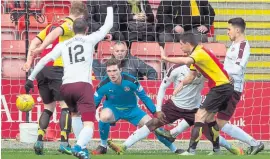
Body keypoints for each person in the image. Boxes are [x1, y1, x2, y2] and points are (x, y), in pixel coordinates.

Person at [24, 6, 114, 159]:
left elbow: (44, 60)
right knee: (89, 124)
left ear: (72, 28)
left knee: (75, 115)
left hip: (66, 87)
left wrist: (30, 78)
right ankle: (78, 146)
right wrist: (111, 7)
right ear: (86, 29)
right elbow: (108, 25)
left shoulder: (63, 45)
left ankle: (81, 148)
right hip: (82, 86)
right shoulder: (90, 39)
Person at [106, 62, 243, 155]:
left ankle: (232, 149)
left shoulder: (204, 68)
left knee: (209, 132)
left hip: (195, 109)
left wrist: (227, 77)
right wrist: (158, 109)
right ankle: (124, 146)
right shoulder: (177, 69)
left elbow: (220, 72)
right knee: (153, 123)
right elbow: (163, 87)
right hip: (174, 106)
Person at [22, 1, 88, 155]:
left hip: (42, 70)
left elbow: (33, 41)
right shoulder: (70, 25)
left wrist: (28, 61)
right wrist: (41, 49)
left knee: (48, 108)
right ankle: (64, 143)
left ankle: (39, 140)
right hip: (57, 69)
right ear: (80, 15)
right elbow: (55, 34)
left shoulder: (53, 23)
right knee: (66, 107)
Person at [160, 32, 234, 155]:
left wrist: (166, 58)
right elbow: (191, 76)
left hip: (221, 87)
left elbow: (185, 61)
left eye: (181, 45)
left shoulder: (198, 53)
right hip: (223, 87)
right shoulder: (197, 55)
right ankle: (217, 150)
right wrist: (181, 85)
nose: (180, 47)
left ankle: (191, 150)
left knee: (199, 116)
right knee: (209, 119)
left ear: (188, 44)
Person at [91, 58, 179, 155]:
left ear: (120, 70)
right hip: (113, 109)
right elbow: (94, 103)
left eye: (115, 70)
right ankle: (103, 146)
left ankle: (174, 149)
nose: (112, 74)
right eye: (109, 71)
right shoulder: (103, 85)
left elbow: (144, 98)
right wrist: (86, 117)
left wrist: (155, 112)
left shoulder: (132, 81)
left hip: (132, 110)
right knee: (104, 116)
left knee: (154, 125)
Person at [93, 41, 157, 80]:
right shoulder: (108, 63)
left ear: (126, 51)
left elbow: (152, 72)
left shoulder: (135, 61)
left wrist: (147, 86)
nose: (120, 53)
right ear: (113, 52)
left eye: (122, 51)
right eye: (117, 51)